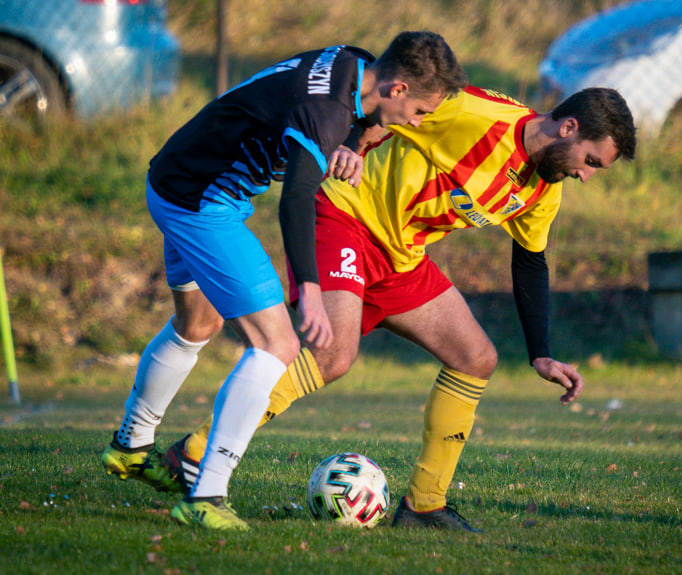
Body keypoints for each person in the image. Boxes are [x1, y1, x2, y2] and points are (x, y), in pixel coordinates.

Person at [161, 85, 636, 531]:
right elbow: (391, 102)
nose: (586, 175)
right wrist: (350, 143)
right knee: (333, 356)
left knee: (476, 358)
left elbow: (530, 261)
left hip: (401, 255)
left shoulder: (543, 188)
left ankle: (424, 505)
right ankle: (196, 453)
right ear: (569, 128)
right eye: (591, 161)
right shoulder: (475, 113)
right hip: (344, 216)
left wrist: (541, 352)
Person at [99, 31, 468, 531]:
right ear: (398, 89)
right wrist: (311, 294)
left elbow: (347, 119)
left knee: (197, 322)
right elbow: (296, 197)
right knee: (276, 344)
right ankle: (206, 494)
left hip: (174, 176)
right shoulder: (326, 112)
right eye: (421, 111)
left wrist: (355, 146)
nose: (417, 123)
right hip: (202, 201)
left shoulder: (354, 64)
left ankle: (131, 445)